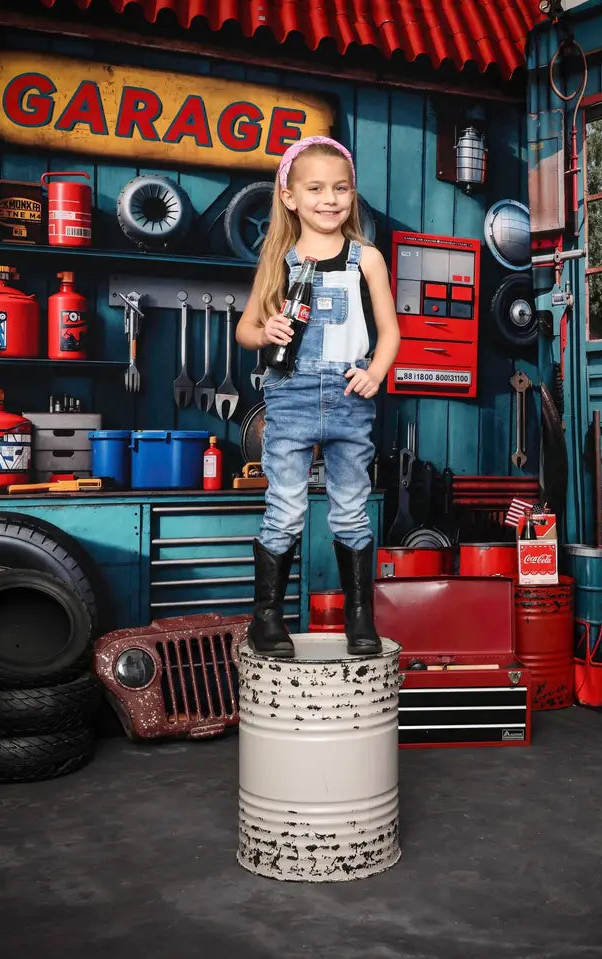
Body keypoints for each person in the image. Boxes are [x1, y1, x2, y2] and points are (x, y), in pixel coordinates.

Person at [235, 136, 400, 659]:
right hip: (292, 395)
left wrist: (377, 371)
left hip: (352, 395)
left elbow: (391, 332)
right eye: (316, 189)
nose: (330, 199)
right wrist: (267, 333)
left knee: (351, 510)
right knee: (285, 508)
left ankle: (359, 618)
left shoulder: (366, 259)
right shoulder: (279, 259)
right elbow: (245, 329)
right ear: (289, 196)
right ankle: (267, 618)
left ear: (352, 195)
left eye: (341, 189)